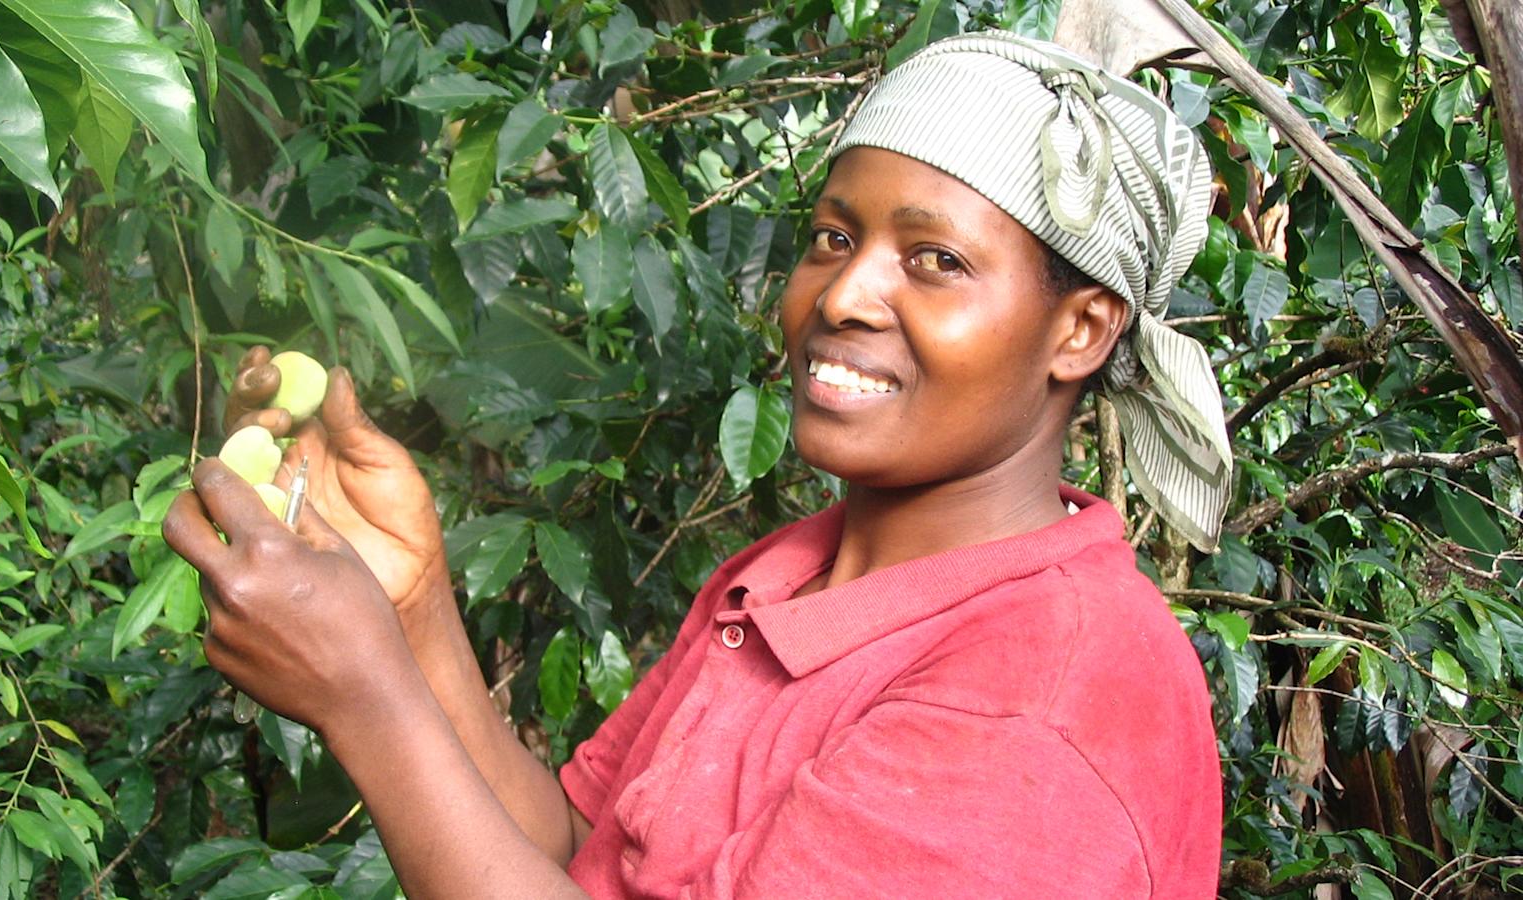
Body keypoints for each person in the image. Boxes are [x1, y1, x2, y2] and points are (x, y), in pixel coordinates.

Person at [164, 30, 1231, 899]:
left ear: (1080, 331)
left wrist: (367, 699)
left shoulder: (1037, 712)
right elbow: (566, 847)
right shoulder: (791, 575)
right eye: (829, 237)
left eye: (934, 260)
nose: (842, 297)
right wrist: (412, 608)